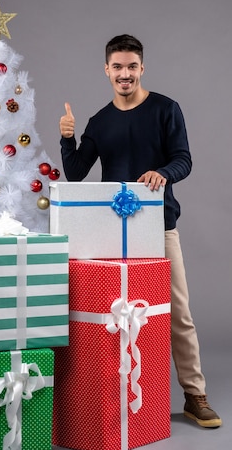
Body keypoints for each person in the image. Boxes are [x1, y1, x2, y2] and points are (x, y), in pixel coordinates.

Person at [59, 34, 221, 428]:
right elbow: (77, 173)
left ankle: (194, 395)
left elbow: (184, 159)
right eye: (118, 67)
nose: (125, 74)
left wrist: (162, 174)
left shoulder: (167, 109)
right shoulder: (99, 121)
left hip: (159, 227)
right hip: (109, 232)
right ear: (106, 71)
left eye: (132, 66)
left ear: (142, 68)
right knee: (104, 312)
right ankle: (103, 397)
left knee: (177, 313)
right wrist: (67, 139)